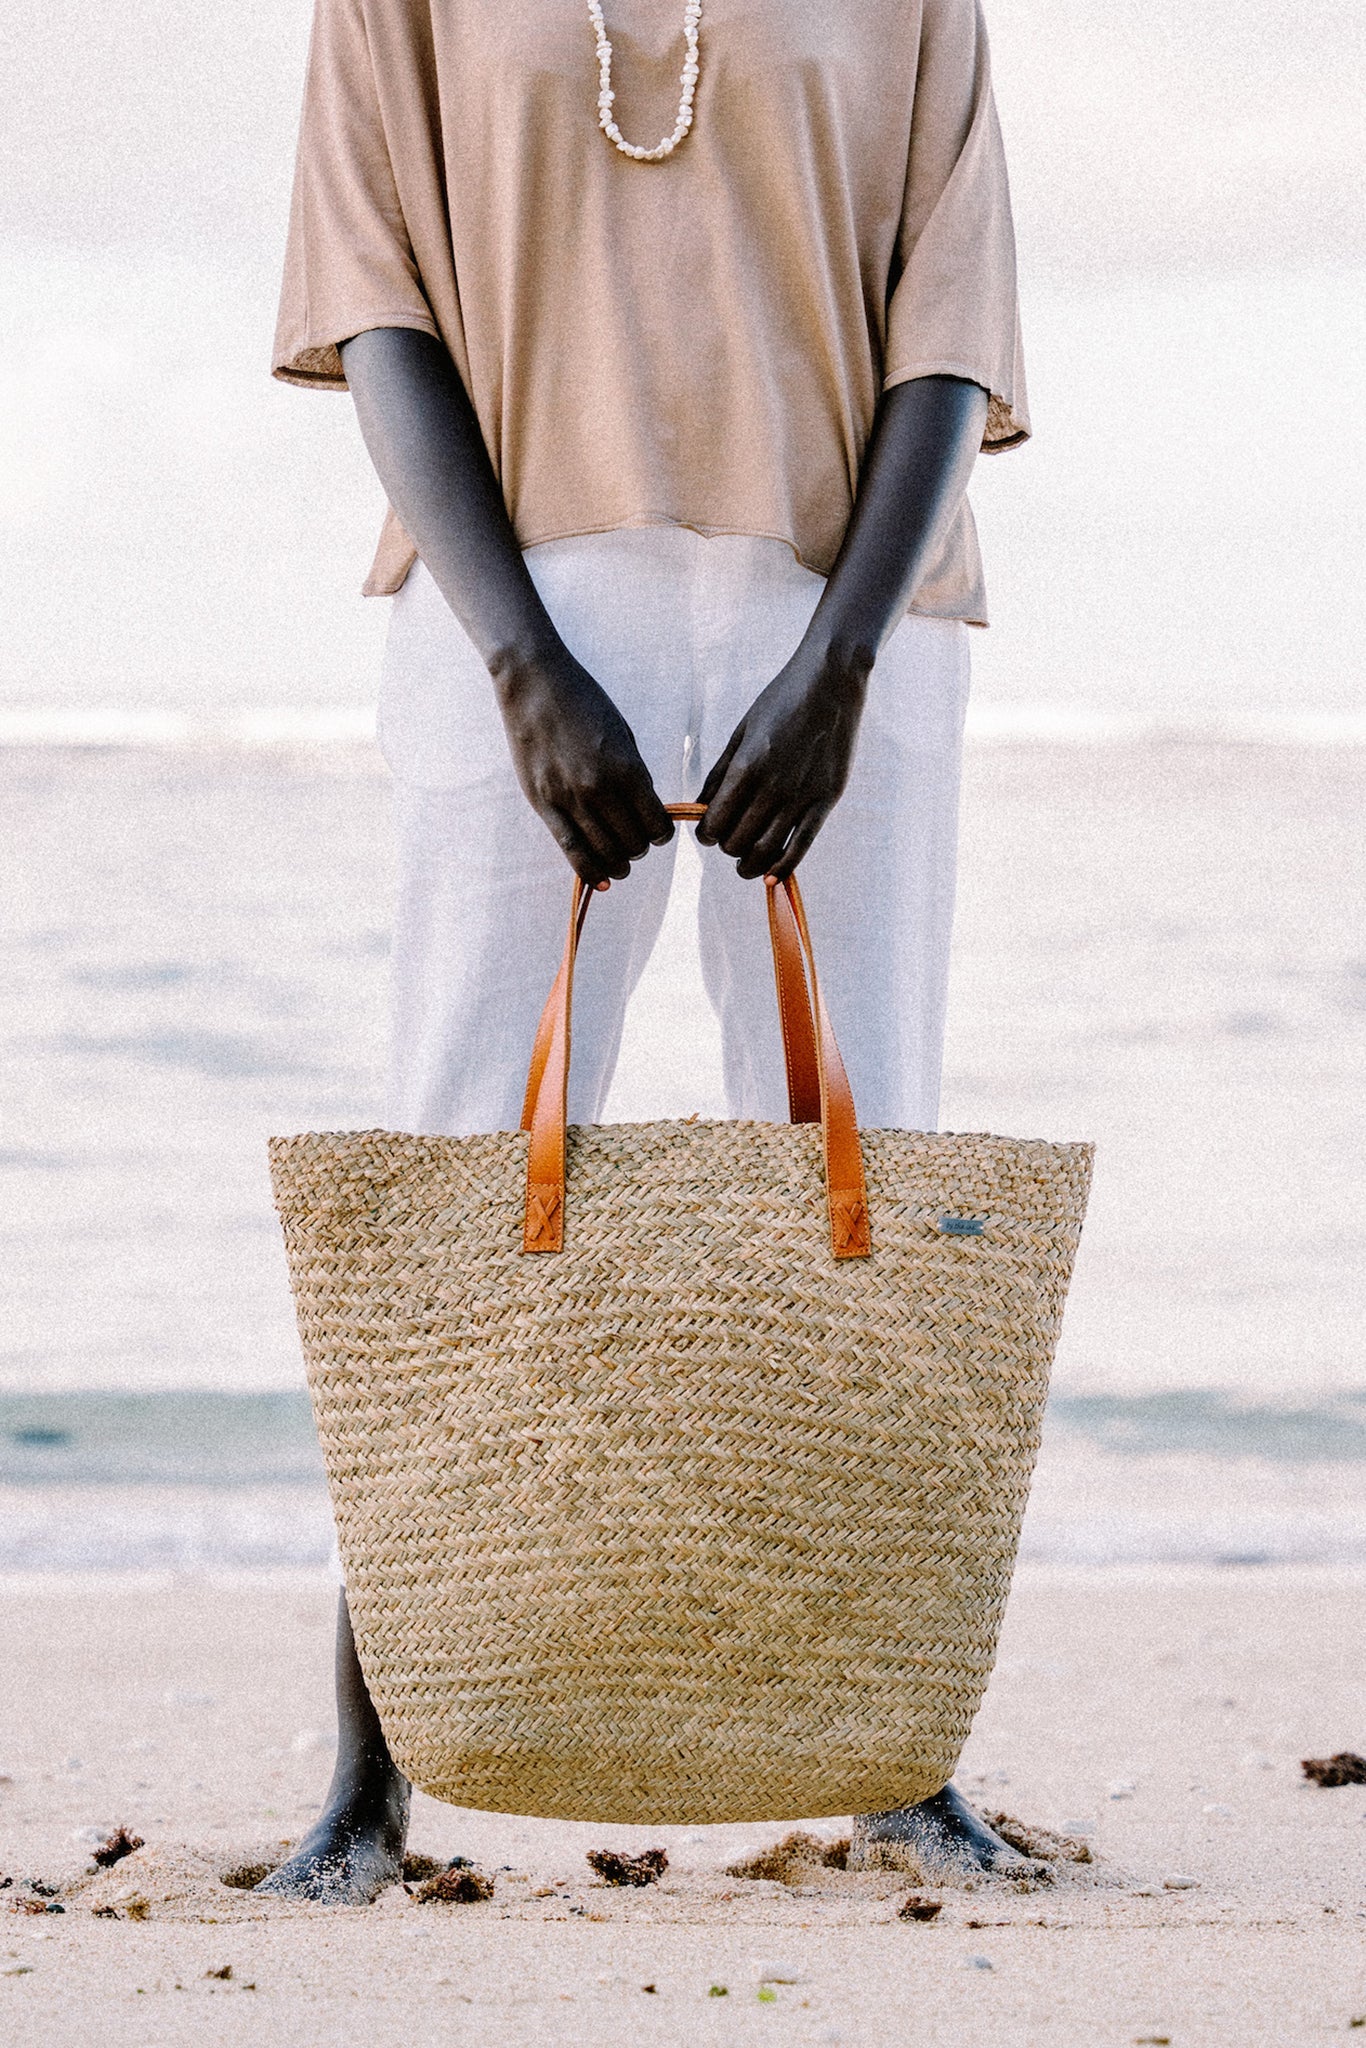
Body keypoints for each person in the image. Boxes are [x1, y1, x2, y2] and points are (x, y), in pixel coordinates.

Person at [261, 0, 1037, 1902]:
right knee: (451, 1162)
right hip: (516, 585)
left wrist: (842, 665)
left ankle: (896, 1759)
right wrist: (521, 662)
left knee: (852, 1147)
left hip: (841, 590)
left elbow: (949, 328)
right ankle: (370, 1778)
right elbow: (379, 306)